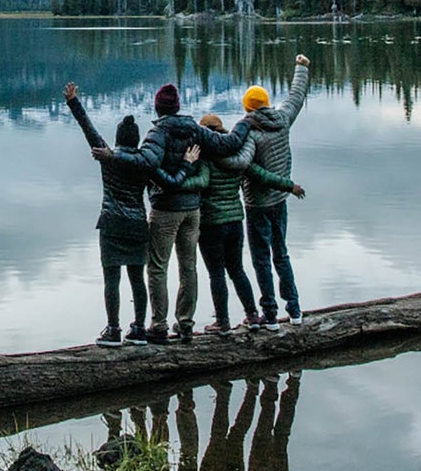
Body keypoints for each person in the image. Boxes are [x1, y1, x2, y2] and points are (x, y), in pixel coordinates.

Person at [97, 82, 244, 344]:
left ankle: (159, 325)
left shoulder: (158, 132)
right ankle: (185, 324)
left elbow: (146, 162)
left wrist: (112, 156)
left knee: (157, 267)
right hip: (193, 210)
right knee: (189, 266)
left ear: (157, 107)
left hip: (165, 209)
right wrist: (247, 123)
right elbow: (228, 144)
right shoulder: (196, 131)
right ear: (177, 106)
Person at [65, 82, 202, 347]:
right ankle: (139, 328)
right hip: (138, 224)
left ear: (117, 139)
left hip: (112, 224)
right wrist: (186, 164)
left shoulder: (108, 156)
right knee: (138, 278)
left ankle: (113, 329)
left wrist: (74, 102)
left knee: (112, 279)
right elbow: (170, 181)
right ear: (136, 140)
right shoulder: (145, 162)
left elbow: (88, 129)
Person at [195, 112, 303, 334]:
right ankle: (253, 316)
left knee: (216, 273)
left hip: (211, 223)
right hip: (235, 220)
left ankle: (222, 322)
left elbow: (202, 182)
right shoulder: (237, 156)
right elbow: (262, 175)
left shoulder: (205, 157)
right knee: (237, 270)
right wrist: (289, 185)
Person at [242, 53, 312, 329]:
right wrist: (301, 67)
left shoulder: (249, 132)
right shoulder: (282, 119)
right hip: (280, 201)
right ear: (267, 104)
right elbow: (296, 95)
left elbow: (243, 164)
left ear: (248, 108)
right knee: (281, 254)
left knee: (261, 259)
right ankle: (294, 311)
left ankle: (269, 314)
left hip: (257, 204)